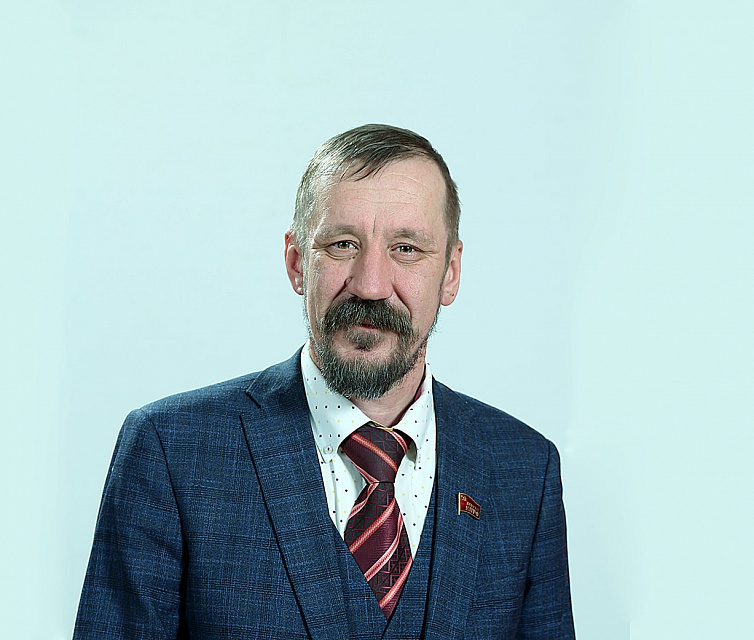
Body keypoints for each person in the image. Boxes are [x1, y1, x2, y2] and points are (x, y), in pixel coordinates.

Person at [74, 124, 575, 639]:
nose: (371, 285)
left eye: (406, 248)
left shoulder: (525, 470)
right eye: (342, 244)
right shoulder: (171, 451)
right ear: (296, 263)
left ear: (450, 272)